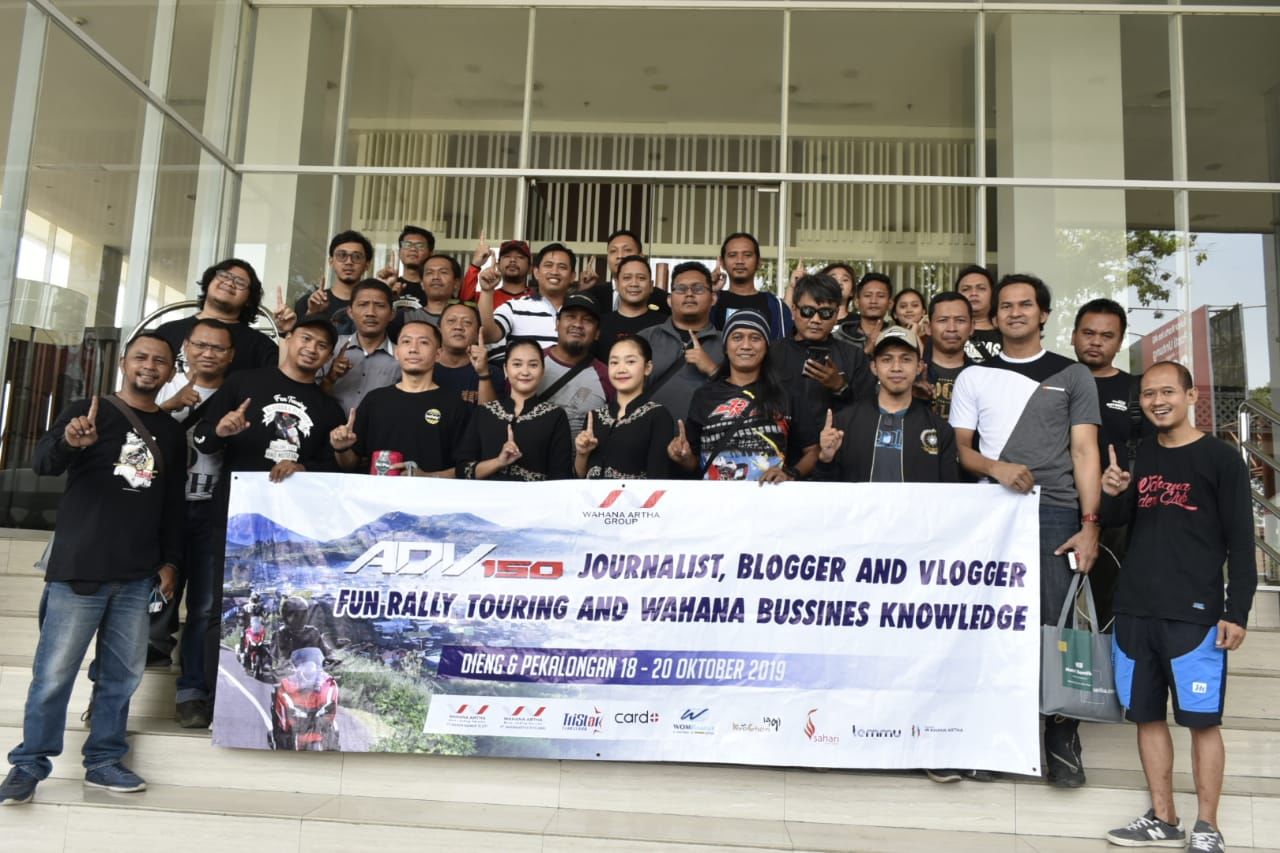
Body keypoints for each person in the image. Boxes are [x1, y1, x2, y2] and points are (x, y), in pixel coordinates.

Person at [0, 334, 184, 805]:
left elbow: (171, 505)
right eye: (141, 357)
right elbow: (42, 464)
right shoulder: (87, 411)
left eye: (160, 360)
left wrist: (169, 561)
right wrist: (69, 440)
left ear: (170, 371)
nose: (149, 365)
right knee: (53, 675)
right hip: (79, 570)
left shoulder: (171, 431)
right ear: (123, 362)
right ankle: (29, 764)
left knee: (120, 678)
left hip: (137, 575)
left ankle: (103, 761)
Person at [949, 273, 1102, 789]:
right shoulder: (974, 376)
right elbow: (962, 450)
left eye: (1026, 305)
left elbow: (1085, 452)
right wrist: (996, 468)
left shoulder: (1073, 375)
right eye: (1007, 306)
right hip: (991, 514)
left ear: (1044, 315)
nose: (1015, 312)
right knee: (994, 627)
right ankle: (997, 737)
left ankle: (1061, 738)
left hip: (1055, 512)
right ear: (994, 317)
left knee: (1055, 629)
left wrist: (1090, 524)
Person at [1101, 361, 1255, 853]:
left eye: (1167, 391)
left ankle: (1207, 826)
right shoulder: (1139, 453)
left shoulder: (1221, 459)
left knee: (1202, 721)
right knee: (1146, 717)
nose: (1157, 401)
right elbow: (1120, 521)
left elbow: (1242, 544)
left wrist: (1237, 610)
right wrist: (1112, 493)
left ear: (1191, 396)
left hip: (1195, 613)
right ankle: (1163, 817)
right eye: (1148, 394)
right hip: (1135, 609)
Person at [192, 316, 346, 710]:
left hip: (289, 527)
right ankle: (205, 698)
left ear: (329, 356)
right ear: (288, 339)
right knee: (213, 607)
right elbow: (203, 438)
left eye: (322, 345)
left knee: (283, 609)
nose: (311, 349)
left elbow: (333, 470)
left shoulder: (328, 408)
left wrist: (304, 467)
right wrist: (221, 431)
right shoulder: (244, 383)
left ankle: (270, 693)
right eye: (305, 338)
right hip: (234, 516)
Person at [152, 319, 235, 729]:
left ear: (230, 356)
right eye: (201, 345)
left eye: (218, 348)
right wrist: (168, 408)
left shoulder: (238, 395)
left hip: (213, 513)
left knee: (205, 606)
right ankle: (114, 693)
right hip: (161, 511)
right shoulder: (160, 386)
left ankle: (192, 692)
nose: (208, 353)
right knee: (146, 600)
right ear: (186, 346)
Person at [1071, 298, 1154, 626]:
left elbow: (1155, 453)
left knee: (1109, 613)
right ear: (1073, 336)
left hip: (1117, 516)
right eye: (1088, 333)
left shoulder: (1137, 391)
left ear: (1120, 343)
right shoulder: (1056, 383)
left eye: (1107, 336)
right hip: (1061, 508)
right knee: (1053, 610)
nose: (1096, 342)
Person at [670, 310, 818, 483]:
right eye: (737, 337)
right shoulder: (705, 396)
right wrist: (683, 456)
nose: (746, 345)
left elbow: (813, 451)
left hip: (770, 496)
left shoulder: (786, 394)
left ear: (766, 347)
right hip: (715, 498)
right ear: (726, 347)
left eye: (755, 338)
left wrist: (790, 474)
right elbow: (694, 464)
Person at [814, 326, 957, 483]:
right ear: (874, 367)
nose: (896, 368)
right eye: (887, 360)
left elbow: (950, 493)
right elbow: (825, 491)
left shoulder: (940, 430)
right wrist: (825, 459)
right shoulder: (842, 424)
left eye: (906, 359)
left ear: (919, 367)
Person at [330, 319, 470, 478]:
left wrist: (428, 477)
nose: (413, 349)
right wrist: (341, 448)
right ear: (397, 352)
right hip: (377, 493)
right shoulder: (375, 400)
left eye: (423, 342)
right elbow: (349, 465)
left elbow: (466, 468)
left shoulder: (453, 404)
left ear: (438, 354)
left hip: (431, 493)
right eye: (406, 342)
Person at [768, 273, 874, 432]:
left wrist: (841, 387)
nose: (816, 320)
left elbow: (868, 410)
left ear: (836, 314)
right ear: (794, 310)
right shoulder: (772, 353)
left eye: (825, 313)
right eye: (807, 311)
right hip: (779, 442)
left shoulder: (854, 356)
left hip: (837, 442)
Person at [457, 338, 573, 481]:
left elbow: (561, 476)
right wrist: (498, 462)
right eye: (517, 364)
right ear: (506, 369)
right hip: (487, 495)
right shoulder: (484, 412)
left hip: (534, 496)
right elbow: (462, 470)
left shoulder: (555, 416)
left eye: (533, 365)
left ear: (542, 371)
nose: (525, 372)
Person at [154, 259, 278, 376]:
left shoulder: (261, 346)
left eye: (240, 283)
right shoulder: (167, 331)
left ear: (249, 300)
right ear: (209, 283)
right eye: (223, 276)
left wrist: (285, 334)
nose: (229, 283)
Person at [575, 336, 675, 479]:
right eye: (614, 362)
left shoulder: (657, 415)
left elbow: (658, 477)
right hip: (592, 494)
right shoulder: (594, 416)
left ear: (647, 368)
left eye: (630, 361)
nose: (621, 369)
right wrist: (582, 453)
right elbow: (580, 476)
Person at [638, 261, 723, 425]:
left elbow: (743, 396)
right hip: (650, 434)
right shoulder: (645, 339)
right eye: (681, 289)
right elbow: (625, 391)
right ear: (669, 300)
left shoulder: (728, 343)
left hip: (709, 436)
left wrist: (713, 370)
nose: (689, 294)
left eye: (698, 289)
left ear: (713, 298)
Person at [480, 242, 575, 366]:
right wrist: (487, 291)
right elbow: (488, 335)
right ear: (536, 272)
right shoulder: (513, 307)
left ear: (572, 276)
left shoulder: (581, 313)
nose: (554, 271)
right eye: (548, 265)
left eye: (562, 267)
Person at [538, 293, 614, 440]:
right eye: (571, 316)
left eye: (587, 320)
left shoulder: (608, 377)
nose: (578, 324)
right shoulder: (532, 362)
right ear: (557, 324)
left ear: (597, 333)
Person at [320, 279, 401, 412]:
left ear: (392, 314)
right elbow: (308, 395)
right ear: (350, 312)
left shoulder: (402, 358)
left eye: (380, 305)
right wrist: (329, 378)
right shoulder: (331, 346)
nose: (370, 313)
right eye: (363, 304)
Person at [709, 232, 793, 341]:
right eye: (732, 255)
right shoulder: (712, 301)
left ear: (758, 262)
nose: (740, 261)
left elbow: (784, 344)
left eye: (747, 255)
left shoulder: (776, 306)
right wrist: (710, 290)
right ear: (722, 262)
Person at [293, 230, 374, 335]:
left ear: (367, 265)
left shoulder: (373, 307)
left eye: (357, 257)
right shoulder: (309, 303)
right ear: (331, 261)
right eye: (342, 255)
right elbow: (297, 341)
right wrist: (312, 313)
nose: (349, 262)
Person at [591, 254, 667, 360]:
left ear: (651, 285)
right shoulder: (599, 324)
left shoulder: (665, 325)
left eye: (641, 278)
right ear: (617, 284)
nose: (634, 284)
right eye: (627, 278)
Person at [579, 228, 670, 315]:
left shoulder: (663, 299)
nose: (620, 256)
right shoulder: (593, 295)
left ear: (641, 256)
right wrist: (583, 290)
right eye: (613, 251)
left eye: (627, 250)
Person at [433, 302, 501, 405]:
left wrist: (483, 374)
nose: (458, 327)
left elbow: (491, 414)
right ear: (439, 330)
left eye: (467, 322)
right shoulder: (424, 368)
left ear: (478, 334)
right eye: (451, 321)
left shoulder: (493, 373)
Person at [921, 292, 974, 420]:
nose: (951, 328)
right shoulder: (913, 373)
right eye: (943, 320)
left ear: (972, 327)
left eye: (960, 320)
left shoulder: (982, 376)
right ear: (928, 327)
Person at [460, 236, 532, 308]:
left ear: (530, 268)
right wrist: (475, 265)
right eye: (507, 256)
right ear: (498, 266)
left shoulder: (537, 300)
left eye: (520, 257)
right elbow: (464, 302)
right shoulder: (485, 297)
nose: (512, 260)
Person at [834, 272, 892, 355]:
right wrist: (866, 351)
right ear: (857, 302)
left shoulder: (897, 335)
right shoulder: (839, 337)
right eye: (867, 295)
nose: (873, 301)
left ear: (890, 304)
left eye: (880, 296)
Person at [375, 224, 434, 304]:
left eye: (420, 246)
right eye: (407, 245)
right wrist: (383, 289)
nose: (413, 249)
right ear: (400, 252)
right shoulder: (389, 283)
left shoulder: (434, 287)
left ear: (431, 253)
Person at [955, 264, 1001, 363]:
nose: (973, 293)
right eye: (966, 289)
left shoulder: (1006, 332)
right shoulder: (947, 332)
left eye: (981, 288)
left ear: (993, 293)